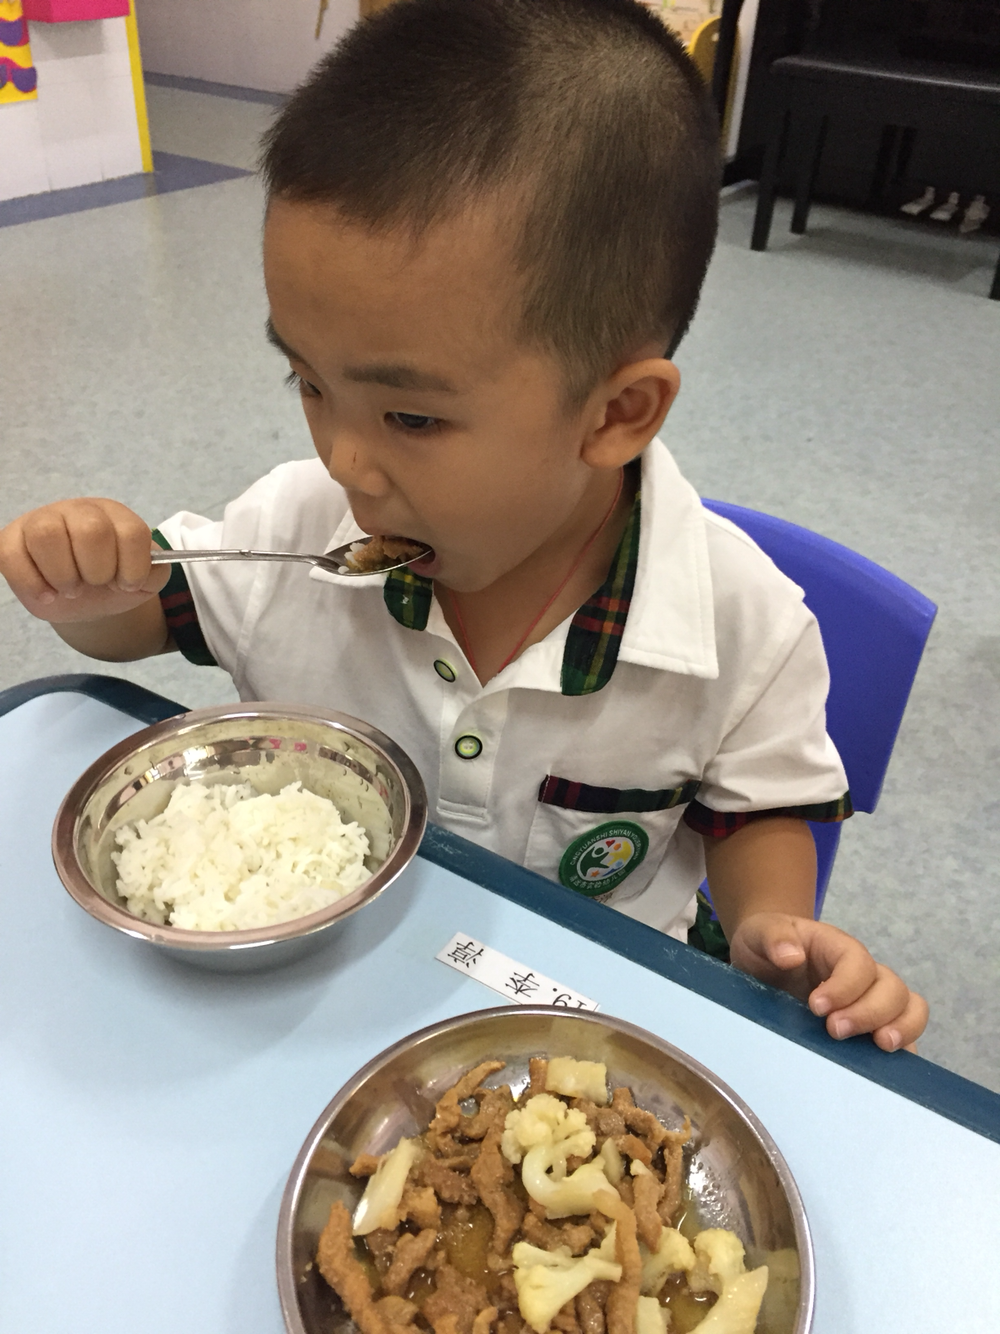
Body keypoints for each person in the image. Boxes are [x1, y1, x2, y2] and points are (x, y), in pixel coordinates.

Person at [0, 0, 927, 1050]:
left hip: (588, 1025)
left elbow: (759, 810)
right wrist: (86, 588)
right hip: (324, 997)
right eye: (309, 382)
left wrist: (775, 930)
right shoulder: (295, 527)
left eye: (410, 418)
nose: (344, 462)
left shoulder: (740, 623)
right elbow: (146, 614)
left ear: (616, 413)